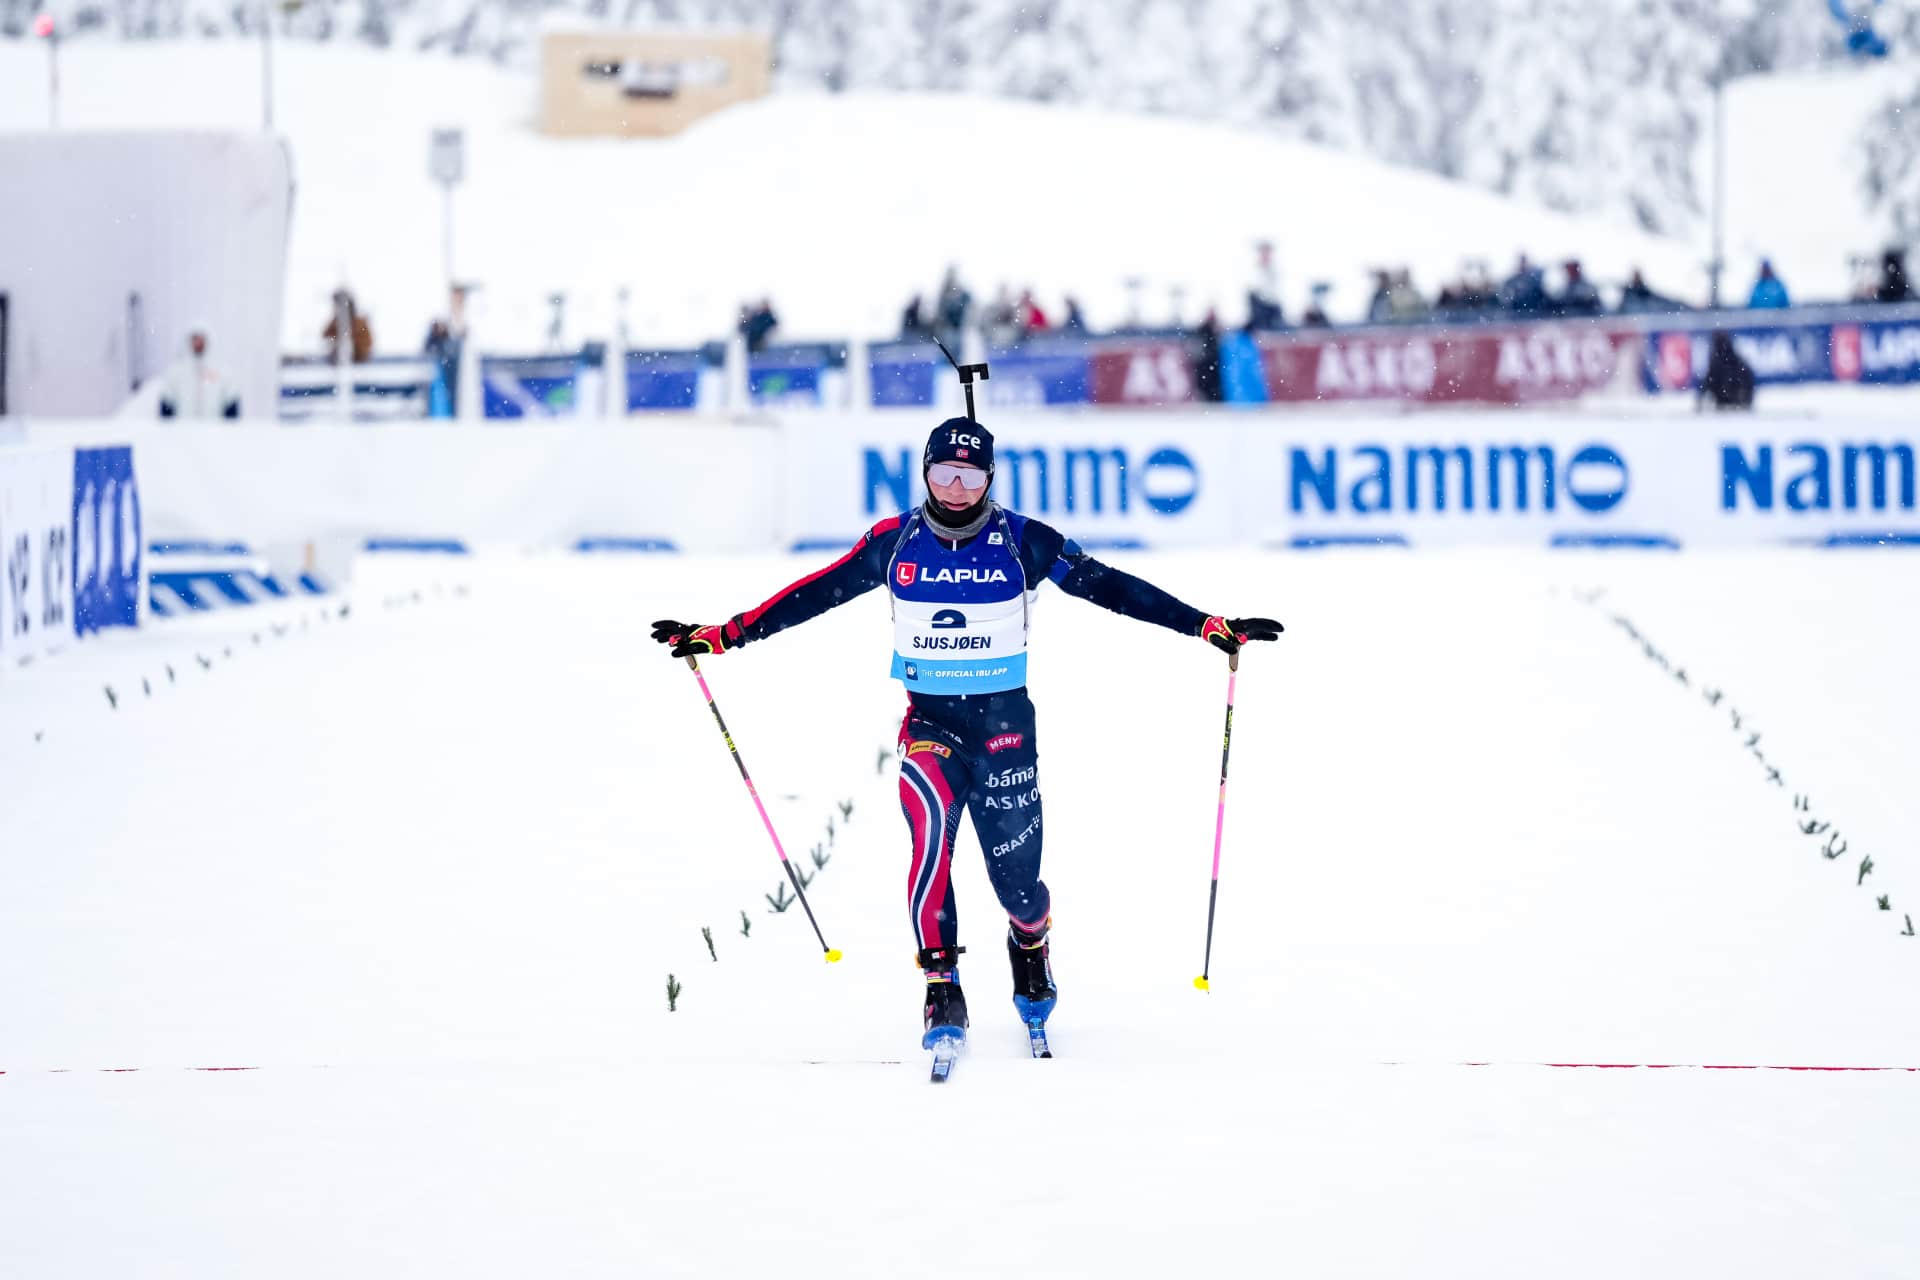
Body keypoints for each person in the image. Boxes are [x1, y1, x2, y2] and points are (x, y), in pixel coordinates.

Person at [651, 418, 1281, 1051]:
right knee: (929, 843)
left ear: (991, 479)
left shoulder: (1023, 542)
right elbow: (816, 592)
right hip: (930, 727)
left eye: (970, 474)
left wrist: (1204, 625)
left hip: (1005, 732)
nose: (955, 488)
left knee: (1020, 887)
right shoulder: (893, 542)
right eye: (942, 473)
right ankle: (940, 982)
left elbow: (1109, 586)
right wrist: (727, 633)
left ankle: (1029, 942)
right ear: (923, 473)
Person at [157, 331, 240, 419]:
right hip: (183, 430)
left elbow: (231, 400)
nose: (198, 343)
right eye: (195, 339)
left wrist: (228, 430)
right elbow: (167, 401)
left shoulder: (222, 371)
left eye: (201, 339)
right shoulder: (176, 372)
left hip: (214, 430)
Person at [1699, 331, 1755, 410]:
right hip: (1726, 400)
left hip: (1730, 399)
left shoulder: (1728, 360)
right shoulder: (1725, 360)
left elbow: (1707, 381)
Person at [322, 289, 374, 363]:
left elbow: (366, 346)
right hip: (339, 359)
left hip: (358, 360)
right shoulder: (335, 322)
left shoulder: (359, 323)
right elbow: (325, 335)